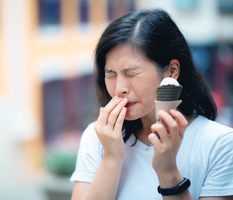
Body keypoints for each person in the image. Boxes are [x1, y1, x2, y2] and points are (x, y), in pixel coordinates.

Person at [70, 9, 233, 200]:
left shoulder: (219, 144)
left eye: (131, 73)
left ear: (171, 70)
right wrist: (111, 158)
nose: (119, 88)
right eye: (111, 74)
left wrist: (168, 171)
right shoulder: (98, 137)